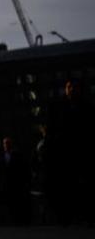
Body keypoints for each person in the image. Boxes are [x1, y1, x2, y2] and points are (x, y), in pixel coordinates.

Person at [45, 79, 94, 226]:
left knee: (83, 184)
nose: (71, 89)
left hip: (82, 152)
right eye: (69, 87)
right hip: (64, 153)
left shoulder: (87, 107)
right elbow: (51, 129)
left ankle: (84, 214)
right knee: (67, 184)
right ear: (66, 89)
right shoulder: (57, 107)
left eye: (74, 87)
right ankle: (69, 215)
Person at [0, 136, 31, 226]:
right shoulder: (1, 157)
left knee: (16, 202)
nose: (6, 145)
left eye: (7, 143)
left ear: (11, 145)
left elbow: (23, 168)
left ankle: (18, 220)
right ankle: (13, 220)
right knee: (10, 203)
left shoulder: (17, 155)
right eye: (4, 143)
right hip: (6, 185)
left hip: (16, 184)